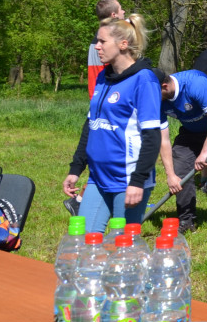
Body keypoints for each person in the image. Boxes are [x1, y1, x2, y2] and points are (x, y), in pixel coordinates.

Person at [63, 15, 161, 233]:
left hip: (127, 179)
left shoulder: (144, 79)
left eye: (102, 41)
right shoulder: (103, 78)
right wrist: (76, 168)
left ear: (123, 45)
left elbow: (152, 135)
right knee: (84, 241)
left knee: (123, 248)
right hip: (98, 176)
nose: (97, 46)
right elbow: (91, 124)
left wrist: (138, 181)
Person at [156, 69, 207, 241]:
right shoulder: (157, 100)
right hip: (191, 129)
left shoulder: (194, 84)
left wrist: (204, 153)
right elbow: (163, 140)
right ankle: (186, 219)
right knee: (180, 169)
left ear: (164, 86)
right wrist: (170, 175)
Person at [86, 0, 126, 98]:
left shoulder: (95, 43)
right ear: (114, 15)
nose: (123, 11)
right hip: (111, 100)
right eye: (121, 9)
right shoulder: (110, 44)